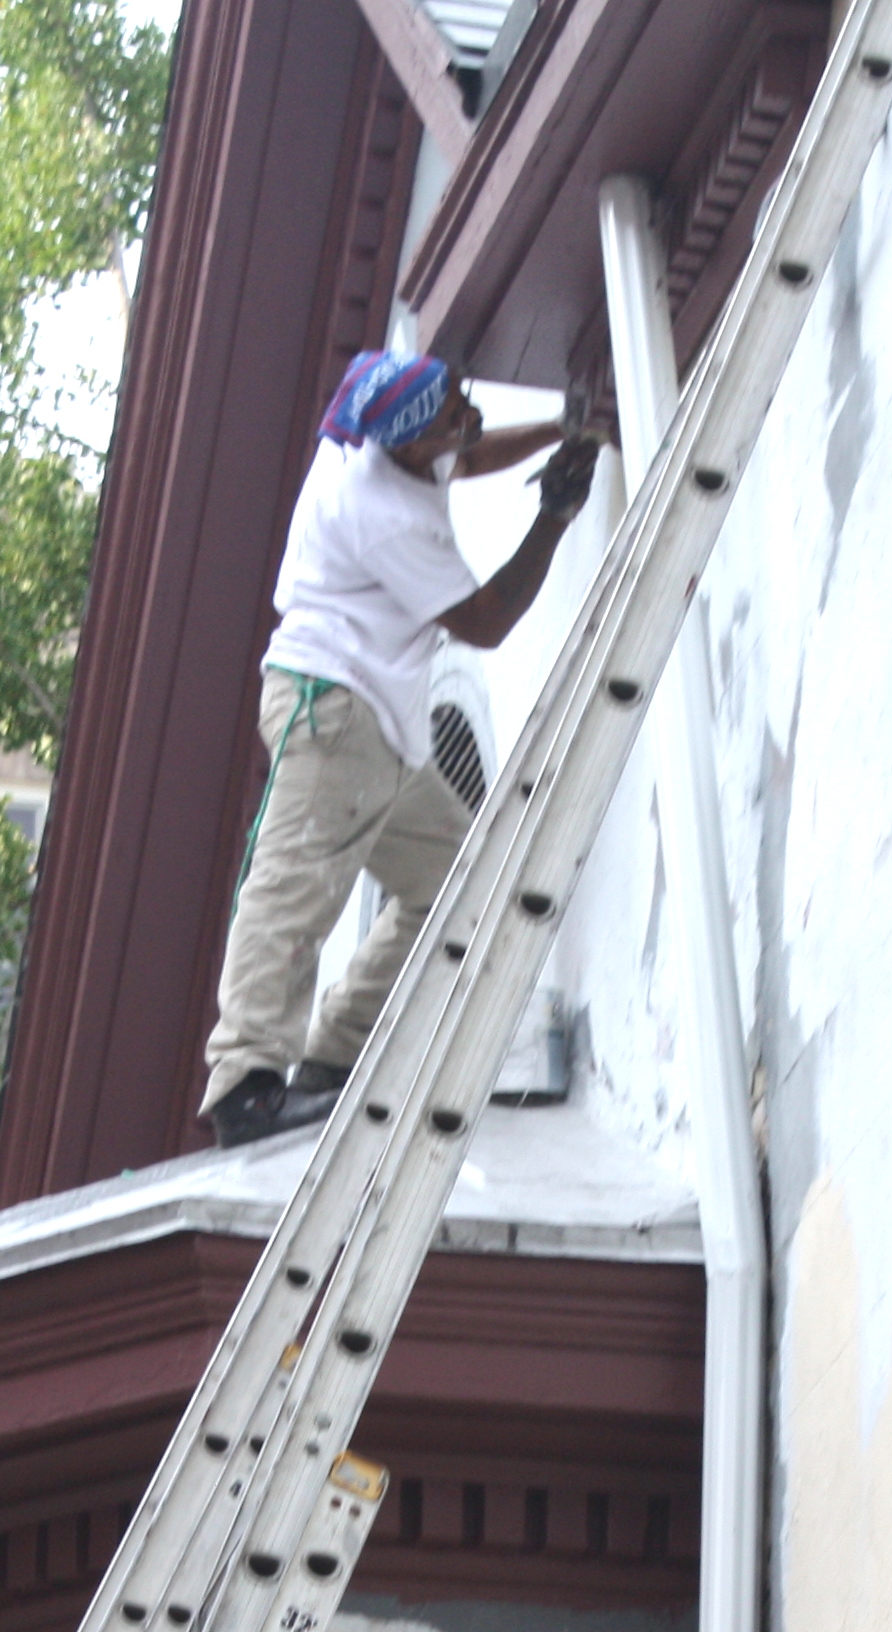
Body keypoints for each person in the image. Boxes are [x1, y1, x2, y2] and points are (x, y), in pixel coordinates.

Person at [201, 350, 600, 1148]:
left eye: (459, 391)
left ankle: (334, 1054)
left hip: (372, 721)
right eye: (455, 407)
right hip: (334, 717)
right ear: (410, 443)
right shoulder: (381, 511)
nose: (469, 409)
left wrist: (563, 425)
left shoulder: (374, 432)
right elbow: (484, 622)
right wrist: (555, 515)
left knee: (458, 880)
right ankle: (246, 1084)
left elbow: (465, 453)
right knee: (293, 889)